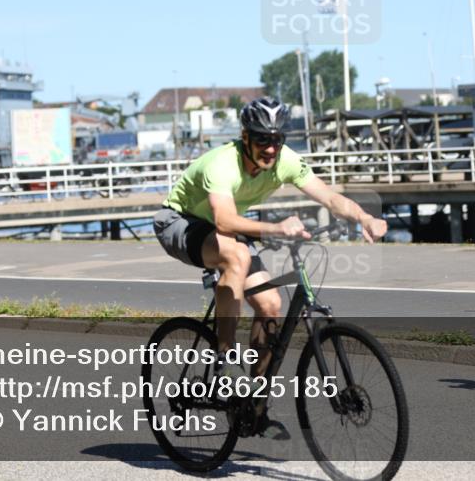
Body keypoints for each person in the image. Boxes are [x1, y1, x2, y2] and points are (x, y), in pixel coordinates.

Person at [154, 97, 387, 431]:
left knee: (271, 304)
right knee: (236, 255)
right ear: (246, 137)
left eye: (277, 140)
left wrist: (365, 217)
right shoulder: (222, 164)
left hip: (228, 228)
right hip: (179, 222)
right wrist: (276, 228)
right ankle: (225, 358)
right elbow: (223, 221)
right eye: (263, 139)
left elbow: (330, 198)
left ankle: (254, 405)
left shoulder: (284, 161)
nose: (271, 148)